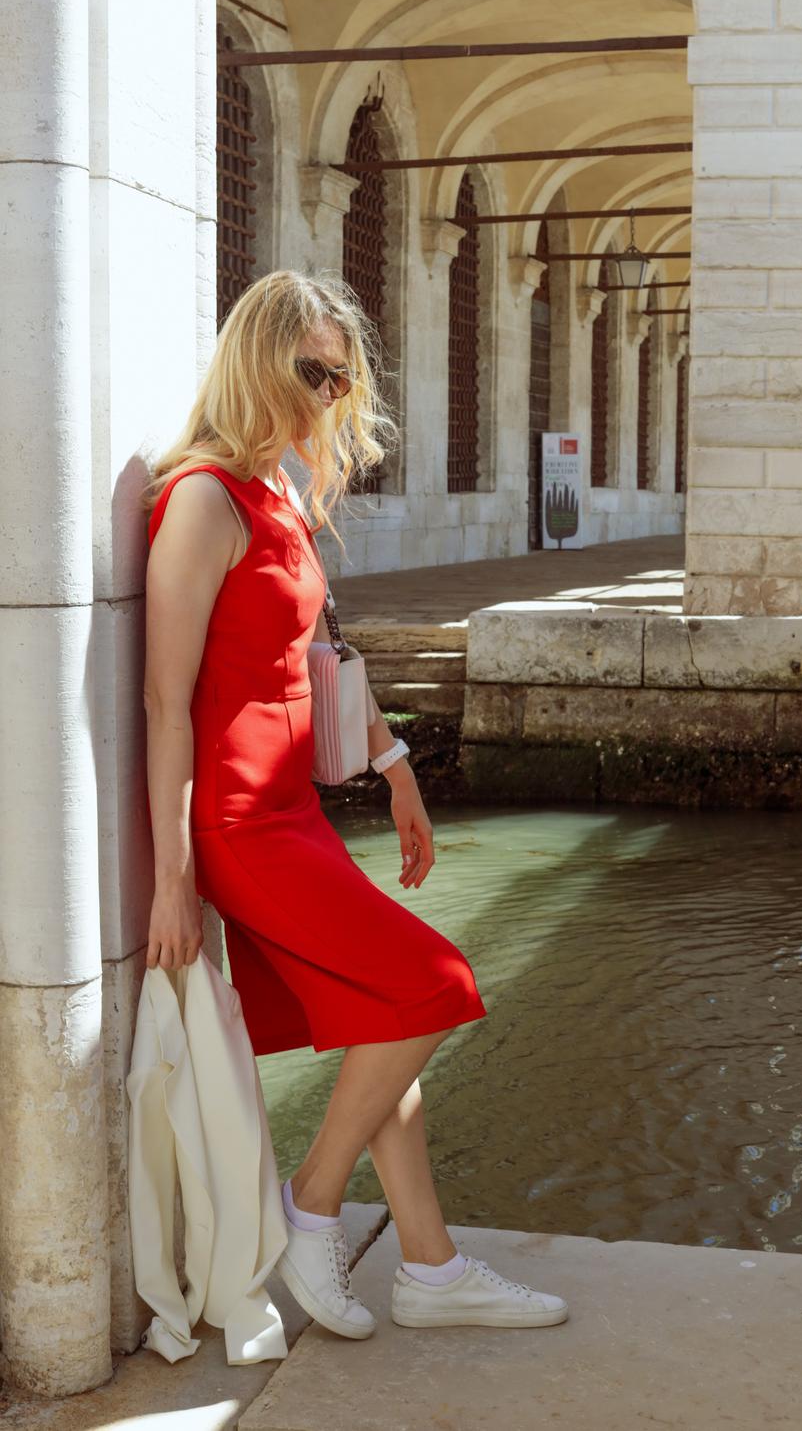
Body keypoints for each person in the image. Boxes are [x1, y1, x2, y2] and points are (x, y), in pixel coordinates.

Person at [140, 269, 568, 1337]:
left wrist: (397, 766)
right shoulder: (202, 499)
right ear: (257, 357)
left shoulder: (280, 491)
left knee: (389, 1018)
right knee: (437, 982)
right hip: (239, 826)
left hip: (297, 812)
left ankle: (430, 1269)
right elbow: (162, 702)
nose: (329, 394)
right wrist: (171, 882)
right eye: (313, 370)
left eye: (341, 377)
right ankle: (313, 1205)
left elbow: (314, 657)